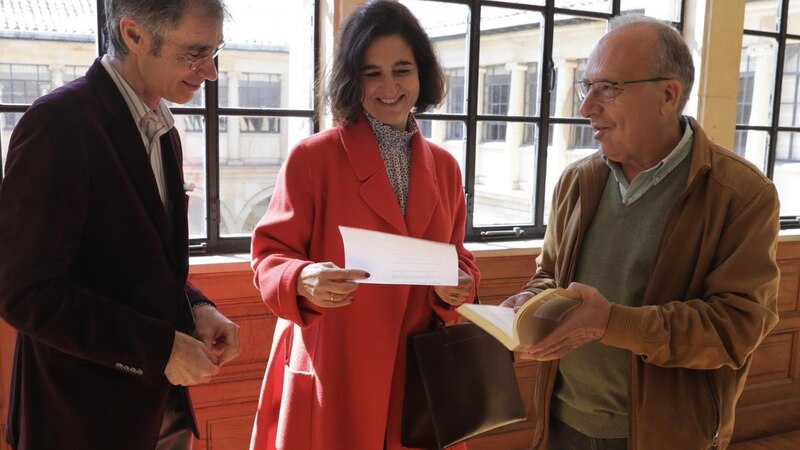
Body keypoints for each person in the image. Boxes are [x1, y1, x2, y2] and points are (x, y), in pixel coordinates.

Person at [500, 14, 781, 450]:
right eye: (586, 87)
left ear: (668, 95)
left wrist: (613, 322)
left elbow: (737, 327)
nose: (586, 107)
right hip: (561, 423)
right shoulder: (577, 182)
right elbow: (549, 276)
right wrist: (529, 303)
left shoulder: (741, 194)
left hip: (663, 434)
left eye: (607, 89)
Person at [0, 0, 241, 448]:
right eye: (194, 53)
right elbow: (24, 293)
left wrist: (198, 309)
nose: (208, 72)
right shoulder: (58, 123)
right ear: (134, 35)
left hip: (160, 413)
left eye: (215, 52)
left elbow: (141, 262)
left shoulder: (162, 127)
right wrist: (157, 349)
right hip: (80, 421)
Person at [248, 1, 479, 449]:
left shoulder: (447, 168)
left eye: (402, 70)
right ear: (352, 79)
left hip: (418, 370)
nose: (389, 87)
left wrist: (462, 284)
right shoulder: (313, 159)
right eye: (372, 73)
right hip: (334, 368)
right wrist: (301, 278)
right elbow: (268, 258)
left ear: (421, 74)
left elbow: (458, 256)